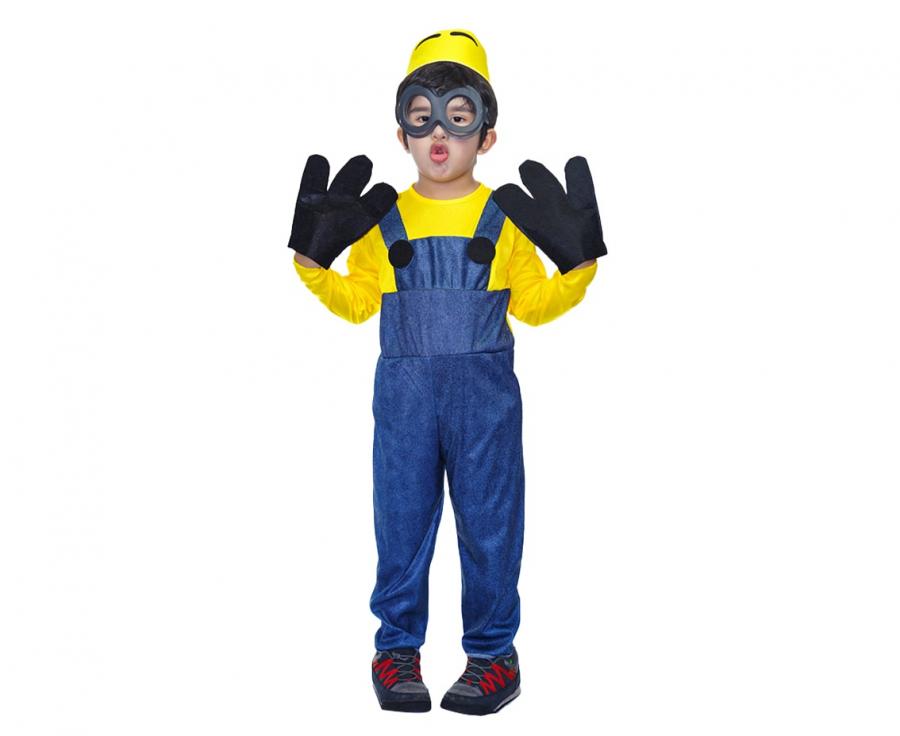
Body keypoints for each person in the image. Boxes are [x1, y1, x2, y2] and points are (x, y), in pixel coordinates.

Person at [288, 28, 607, 716]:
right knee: (400, 521)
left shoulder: (505, 219)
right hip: (404, 400)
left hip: (485, 403)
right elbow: (357, 303)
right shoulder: (381, 219)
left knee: (491, 524)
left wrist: (578, 267)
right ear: (400, 132)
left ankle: (493, 656)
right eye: (421, 116)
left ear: (486, 136)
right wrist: (313, 266)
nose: (439, 133)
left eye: (459, 117)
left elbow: (535, 306)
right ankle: (396, 649)